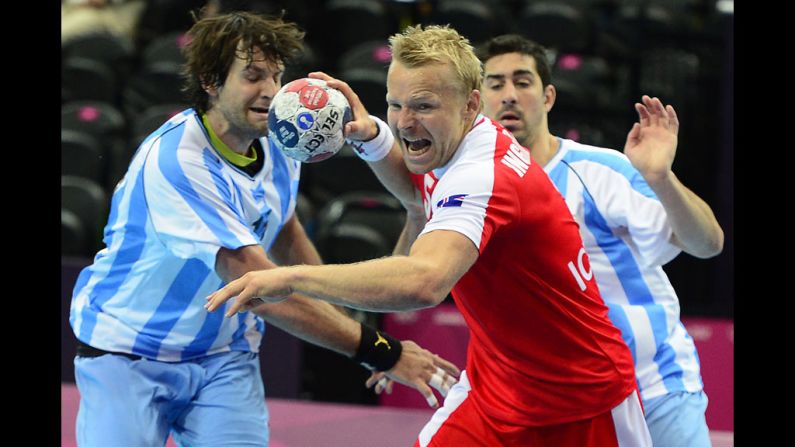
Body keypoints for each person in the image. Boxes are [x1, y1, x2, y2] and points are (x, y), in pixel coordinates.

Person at [207, 24, 652, 446]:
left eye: (422, 106)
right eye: (394, 104)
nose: (404, 121)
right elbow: (420, 192)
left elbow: (424, 282)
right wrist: (372, 138)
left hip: (581, 401)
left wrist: (289, 278)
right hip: (497, 387)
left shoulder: (483, 175)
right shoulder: (463, 140)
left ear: (470, 105)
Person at [68, 12, 459, 447]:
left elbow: (285, 228)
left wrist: (345, 319)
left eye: (275, 76)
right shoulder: (178, 161)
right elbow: (257, 288)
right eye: (253, 76)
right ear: (212, 82)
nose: (271, 92)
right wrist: (377, 349)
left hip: (223, 357)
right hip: (129, 353)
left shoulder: (280, 142)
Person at [475, 34, 725, 447]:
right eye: (495, 83)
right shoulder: (476, 188)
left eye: (523, 82)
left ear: (549, 96)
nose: (509, 96)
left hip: (653, 387)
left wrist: (660, 177)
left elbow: (707, 243)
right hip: (560, 401)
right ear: (477, 99)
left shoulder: (599, 169)